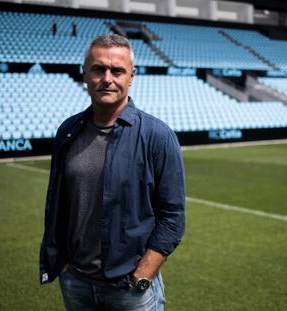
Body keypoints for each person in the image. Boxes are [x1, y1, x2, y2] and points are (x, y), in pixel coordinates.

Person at [39, 34, 185, 310]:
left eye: (117, 70)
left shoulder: (158, 135)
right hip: (76, 282)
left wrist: (143, 274)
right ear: (85, 75)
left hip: (130, 289)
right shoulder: (68, 132)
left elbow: (173, 217)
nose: (107, 78)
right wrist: (65, 264)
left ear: (131, 77)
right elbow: (59, 203)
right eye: (98, 69)